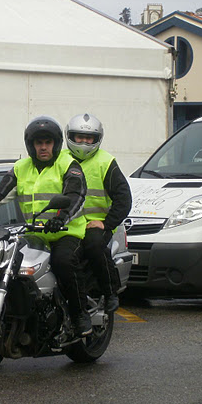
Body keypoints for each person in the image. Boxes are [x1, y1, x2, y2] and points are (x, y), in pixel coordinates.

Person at [0, 116, 93, 336]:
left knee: (63, 262)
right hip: (35, 234)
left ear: (56, 144)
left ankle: (80, 313)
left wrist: (60, 218)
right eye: (38, 143)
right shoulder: (21, 168)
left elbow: (75, 195)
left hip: (66, 232)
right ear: (31, 145)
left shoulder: (68, 164)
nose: (43, 147)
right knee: (5, 264)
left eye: (48, 142)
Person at [65, 113, 132, 313]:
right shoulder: (61, 159)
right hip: (68, 223)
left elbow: (124, 198)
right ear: (70, 136)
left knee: (94, 246)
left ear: (97, 139)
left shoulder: (106, 162)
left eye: (89, 138)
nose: (84, 142)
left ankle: (110, 291)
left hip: (96, 223)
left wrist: (107, 223)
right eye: (80, 137)